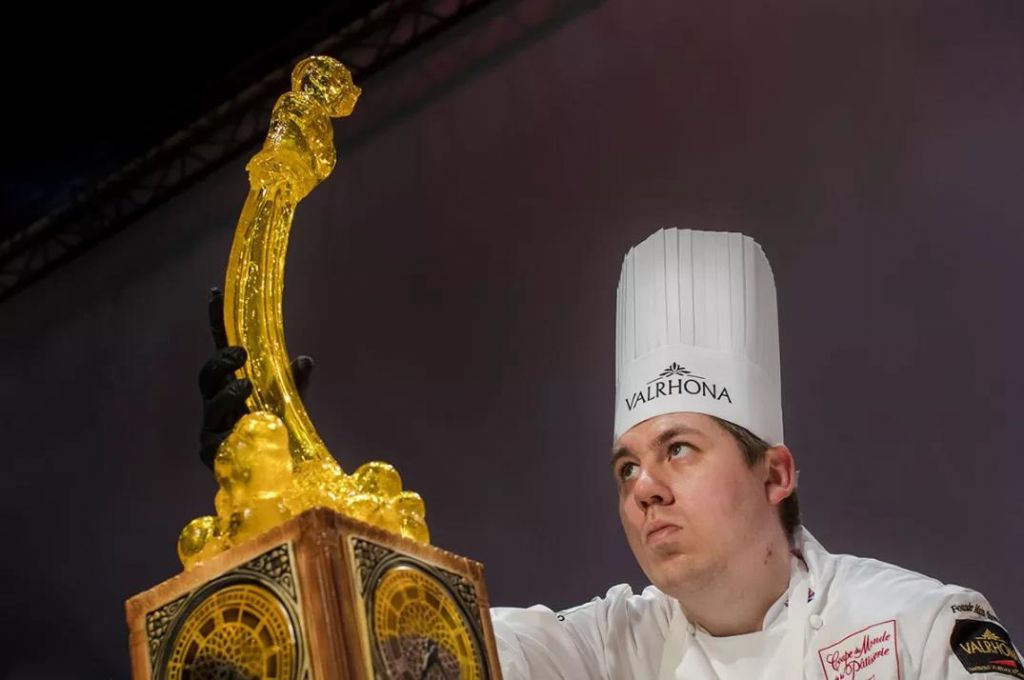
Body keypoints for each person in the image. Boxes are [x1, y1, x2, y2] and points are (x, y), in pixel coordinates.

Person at [198, 229, 1021, 679]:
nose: (644, 488)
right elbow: (414, 652)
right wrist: (277, 491)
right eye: (627, 467)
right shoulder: (606, 649)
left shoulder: (915, 628)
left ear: (774, 473)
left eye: (679, 450)